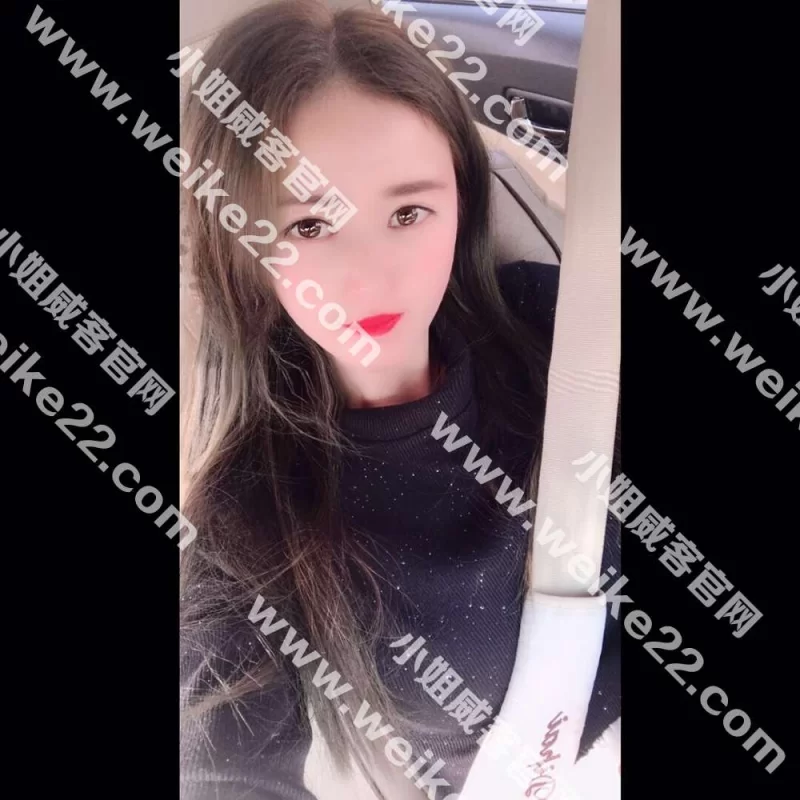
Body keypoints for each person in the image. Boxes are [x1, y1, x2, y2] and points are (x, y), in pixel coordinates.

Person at [179, 1, 620, 798]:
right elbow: (220, 768)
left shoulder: (555, 328)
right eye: (311, 226)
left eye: (409, 212)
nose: (373, 276)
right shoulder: (249, 521)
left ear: (462, 202)